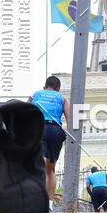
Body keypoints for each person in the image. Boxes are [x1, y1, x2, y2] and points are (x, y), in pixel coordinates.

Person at [29, 76, 70, 206]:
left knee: (37, 165)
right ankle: (49, 203)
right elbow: (71, 121)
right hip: (56, 130)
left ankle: (36, 199)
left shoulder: (36, 94)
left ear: (44, 86)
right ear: (58, 89)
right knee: (50, 169)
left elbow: (24, 111)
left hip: (39, 127)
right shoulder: (62, 98)